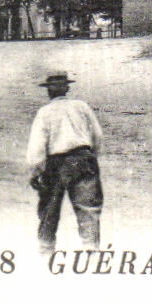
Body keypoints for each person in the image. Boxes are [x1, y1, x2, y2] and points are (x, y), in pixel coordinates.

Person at [25, 72, 103, 253]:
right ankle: (91, 251)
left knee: (49, 209)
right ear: (67, 88)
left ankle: (46, 251)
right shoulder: (81, 107)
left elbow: (37, 146)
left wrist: (36, 171)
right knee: (88, 208)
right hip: (83, 158)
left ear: (48, 91)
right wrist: (91, 157)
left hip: (56, 163)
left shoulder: (44, 112)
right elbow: (97, 136)